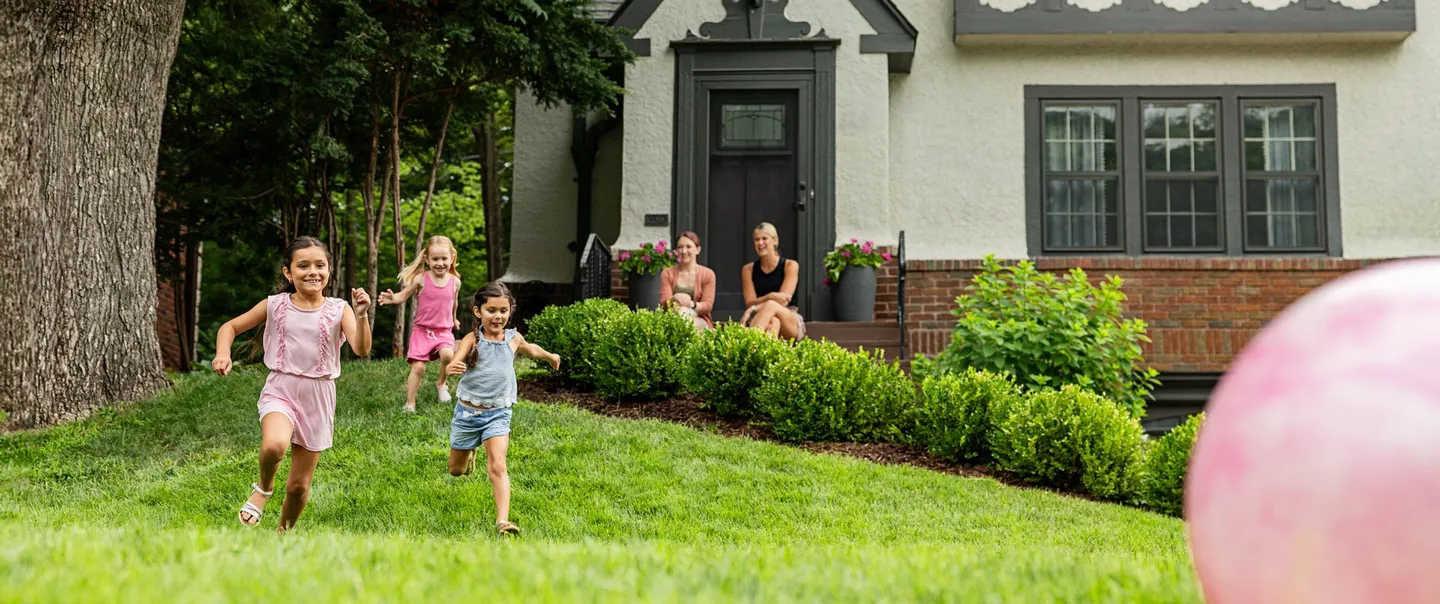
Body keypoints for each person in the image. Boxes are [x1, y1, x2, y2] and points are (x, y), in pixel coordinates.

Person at [212, 236, 372, 532]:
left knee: (298, 487)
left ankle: (283, 537)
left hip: (319, 397)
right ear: (288, 272)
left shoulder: (340, 309)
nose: (313, 272)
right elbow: (230, 327)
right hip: (281, 389)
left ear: (329, 269)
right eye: (303, 265)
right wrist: (223, 354)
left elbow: (361, 349)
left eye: (320, 265)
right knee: (274, 445)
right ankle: (263, 488)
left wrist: (361, 316)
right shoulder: (275, 305)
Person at [445, 282, 561, 536]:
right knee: (456, 470)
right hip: (467, 413)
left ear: (509, 312)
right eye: (491, 310)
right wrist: (452, 366)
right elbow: (456, 359)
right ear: (478, 312)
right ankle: (470, 452)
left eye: (503, 311)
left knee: (498, 465)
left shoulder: (513, 338)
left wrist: (551, 356)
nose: (497, 316)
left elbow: (531, 349)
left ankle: (502, 521)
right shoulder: (472, 339)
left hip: (498, 413)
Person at [379, 235, 462, 412]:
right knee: (418, 368)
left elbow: (453, 303)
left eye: (444, 258)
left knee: (448, 355)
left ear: (452, 258)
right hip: (422, 331)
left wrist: (454, 319)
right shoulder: (421, 279)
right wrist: (393, 298)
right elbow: (403, 295)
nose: (440, 263)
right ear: (427, 259)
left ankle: (441, 384)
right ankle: (410, 403)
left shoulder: (455, 282)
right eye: (435, 259)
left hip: (443, 331)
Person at [739, 222, 805, 340]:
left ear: (775, 240)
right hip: (760, 317)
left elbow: (783, 301)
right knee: (773, 322)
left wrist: (753, 308)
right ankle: (758, 348)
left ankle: (747, 342)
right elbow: (750, 302)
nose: (760, 243)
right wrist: (770, 296)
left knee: (771, 305)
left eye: (764, 238)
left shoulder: (790, 265)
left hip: (788, 318)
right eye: (757, 239)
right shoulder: (748, 270)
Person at [659, 231, 716, 331]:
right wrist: (674, 299)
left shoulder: (708, 274)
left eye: (688, 247)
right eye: (680, 247)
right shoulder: (667, 273)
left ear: (697, 250)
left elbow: (707, 305)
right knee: (682, 312)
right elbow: (664, 303)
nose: (684, 251)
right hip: (673, 317)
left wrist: (691, 304)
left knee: (683, 314)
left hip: (699, 319)